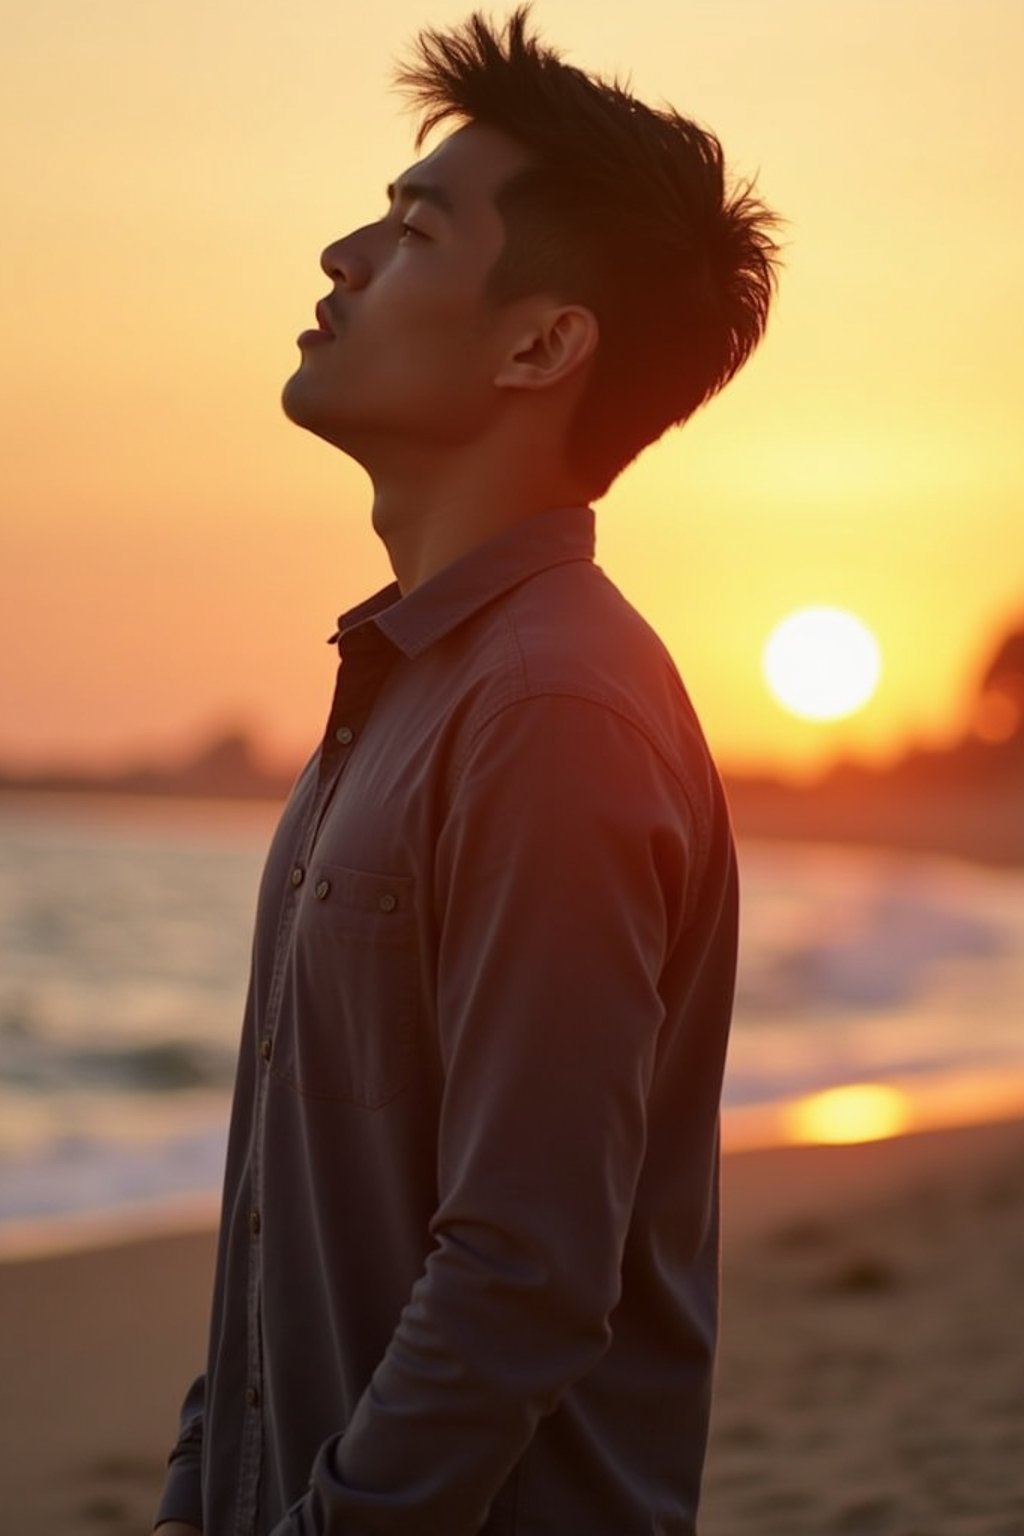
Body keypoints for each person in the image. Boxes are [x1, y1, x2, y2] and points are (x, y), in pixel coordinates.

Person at [154, 8, 781, 1534]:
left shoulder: (553, 709)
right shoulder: (406, 690)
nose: (342, 257)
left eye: (415, 231)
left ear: (543, 343)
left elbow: (522, 1272)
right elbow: (276, 1232)